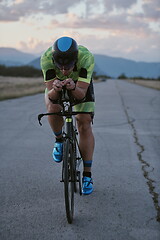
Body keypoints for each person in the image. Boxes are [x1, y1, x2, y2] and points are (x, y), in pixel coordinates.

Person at [41, 36, 95, 195]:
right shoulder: (46, 58)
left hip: (79, 86)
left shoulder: (86, 58)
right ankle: (59, 140)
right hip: (56, 86)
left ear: (75, 59)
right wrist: (56, 89)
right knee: (53, 107)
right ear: (54, 60)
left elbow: (81, 94)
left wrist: (72, 87)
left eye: (68, 66)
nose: (64, 71)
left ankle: (87, 175)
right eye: (60, 67)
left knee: (84, 122)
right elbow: (51, 96)